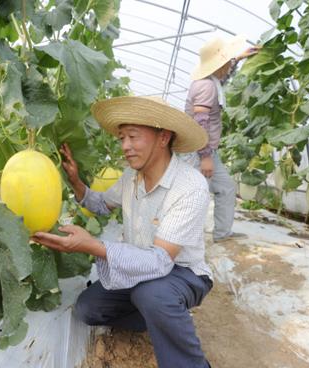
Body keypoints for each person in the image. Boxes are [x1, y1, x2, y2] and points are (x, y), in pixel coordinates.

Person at [32, 96, 214, 368]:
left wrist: (92, 246)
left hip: (182, 272)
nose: (125, 147)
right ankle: (162, 318)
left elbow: (160, 261)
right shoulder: (131, 177)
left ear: (163, 138)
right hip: (140, 267)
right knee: (88, 309)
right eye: (121, 138)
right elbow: (101, 204)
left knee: (152, 295)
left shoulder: (190, 187)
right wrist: (76, 182)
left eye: (133, 136)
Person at [184, 36, 259, 242]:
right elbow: (200, 122)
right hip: (198, 151)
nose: (228, 66)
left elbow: (223, 78)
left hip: (205, 150)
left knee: (225, 188)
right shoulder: (205, 87)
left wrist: (239, 58)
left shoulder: (212, 81)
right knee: (194, 195)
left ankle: (222, 234)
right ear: (220, 64)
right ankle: (185, 240)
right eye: (227, 61)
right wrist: (205, 156)